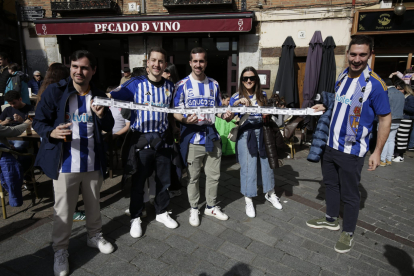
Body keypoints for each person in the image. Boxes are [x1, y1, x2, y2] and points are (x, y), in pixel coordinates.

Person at [33, 50, 115, 276]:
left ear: (93, 71)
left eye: (85, 67)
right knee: (63, 210)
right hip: (65, 162)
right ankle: (60, 250)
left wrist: (101, 116)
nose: (79, 71)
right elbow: (38, 122)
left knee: (93, 203)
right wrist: (51, 132)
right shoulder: (55, 91)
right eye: (75, 66)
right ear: (70, 68)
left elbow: (109, 125)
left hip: (92, 160)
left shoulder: (98, 94)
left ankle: (94, 236)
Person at [306, 35, 391, 253]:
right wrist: (322, 106)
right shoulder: (342, 75)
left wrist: (377, 152)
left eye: (362, 54)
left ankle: (349, 232)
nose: (356, 59)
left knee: (351, 195)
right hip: (330, 146)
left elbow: (385, 119)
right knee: (331, 185)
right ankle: (331, 219)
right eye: (353, 54)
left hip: (352, 151)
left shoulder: (376, 85)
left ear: (370, 55)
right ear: (347, 54)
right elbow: (337, 103)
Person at [110, 47, 178, 238]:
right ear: (147, 63)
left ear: (165, 64)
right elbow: (113, 96)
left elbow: (172, 112)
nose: (157, 64)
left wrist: (174, 128)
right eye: (153, 60)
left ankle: (162, 212)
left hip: (163, 141)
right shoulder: (135, 83)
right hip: (142, 141)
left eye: (161, 61)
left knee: (164, 180)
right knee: (138, 182)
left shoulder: (170, 87)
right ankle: (136, 216)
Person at [173, 47, 232, 227]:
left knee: (214, 175)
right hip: (191, 137)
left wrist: (225, 115)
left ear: (206, 63)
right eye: (195, 61)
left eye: (202, 61)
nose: (198, 64)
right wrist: (184, 119)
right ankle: (193, 207)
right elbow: (175, 112)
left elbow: (217, 110)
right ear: (190, 63)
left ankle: (211, 206)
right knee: (192, 177)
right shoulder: (181, 85)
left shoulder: (214, 84)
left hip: (211, 136)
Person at [228, 67, 283, 218]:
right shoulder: (236, 96)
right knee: (248, 167)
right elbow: (228, 115)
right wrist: (238, 103)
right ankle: (248, 199)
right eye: (245, 79)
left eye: (251, 78)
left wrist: (268, 113)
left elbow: (267, 115)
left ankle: (270, 193)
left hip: (263, 133)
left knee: (267, 164)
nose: (248, 81)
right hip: (246, 134)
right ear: (241, 81)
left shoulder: (263, 95)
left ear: (256, 80)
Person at [378, 79, 405, 166]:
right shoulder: (401, 94)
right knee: (391, 140)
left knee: (384, 140)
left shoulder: (387, 93)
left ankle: (383, 160)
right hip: (398, 119)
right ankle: (389, 159)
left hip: (388, 119)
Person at [392, 81, 414, 162]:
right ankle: (396, 154)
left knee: (402, 138)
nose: (398, 90)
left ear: (404, 89)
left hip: (406, 119)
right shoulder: (403, 97)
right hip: (400, 118)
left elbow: (412, 109)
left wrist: (401, 105)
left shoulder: (410, 98)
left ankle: (400, 155)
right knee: (397, 137)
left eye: (400, 89)